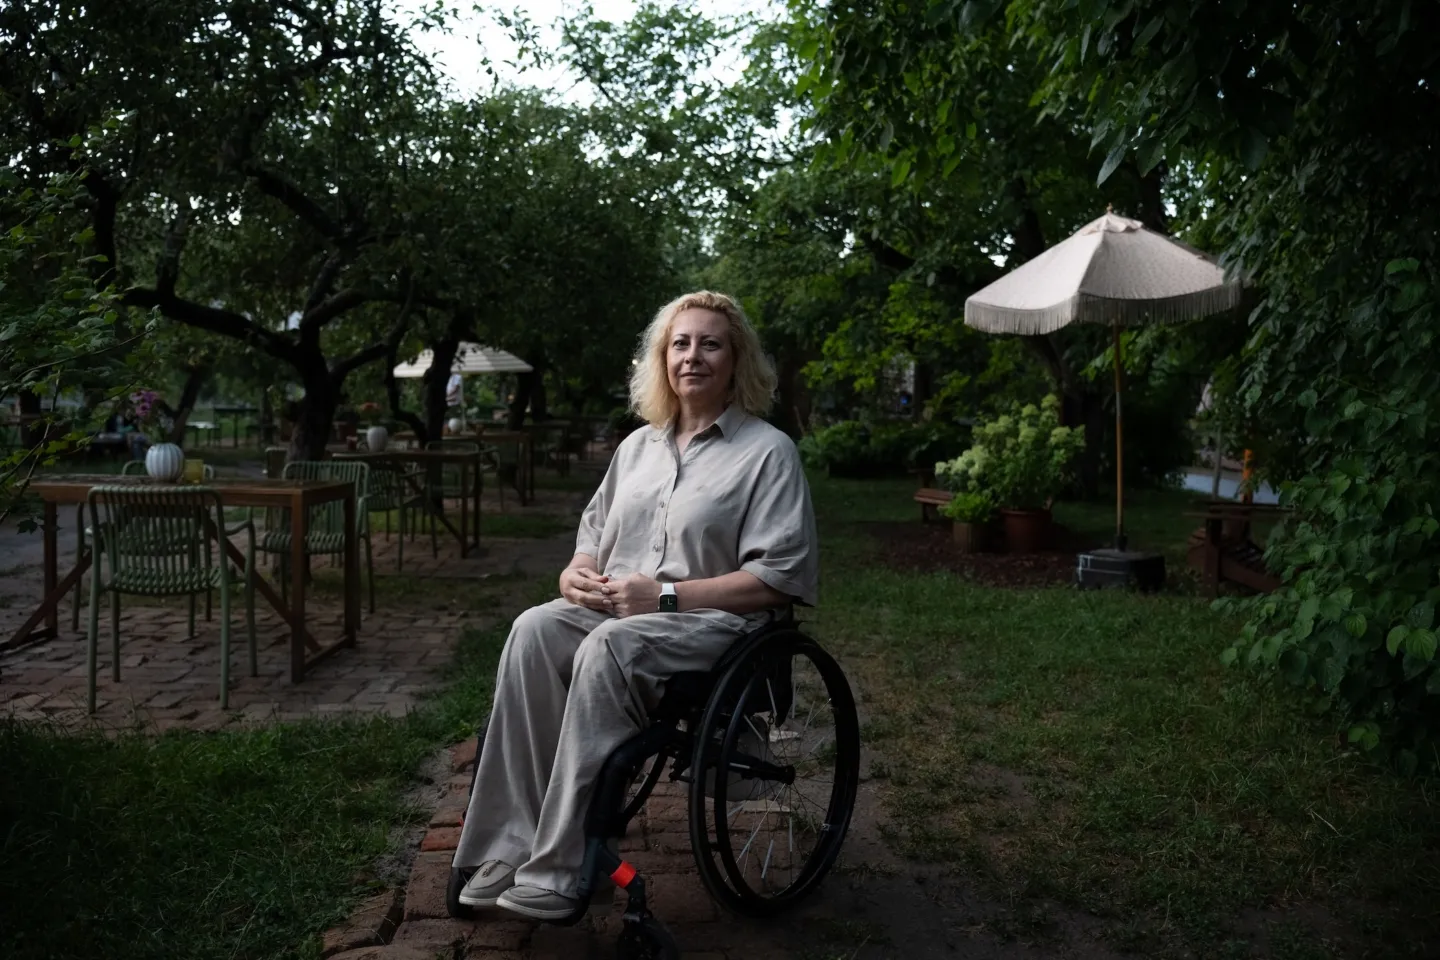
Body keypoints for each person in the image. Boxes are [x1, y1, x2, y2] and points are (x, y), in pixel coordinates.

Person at [451, 291, 819, 921]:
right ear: (662, 359)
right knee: (533, 628)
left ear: (737, 360)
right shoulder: (636, 448)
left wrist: (667, 595)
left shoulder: (767, 452)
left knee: (607, 646)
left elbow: (781, 578)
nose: (693, 356)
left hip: (715, 625)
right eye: (680, 343)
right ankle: (508, 846)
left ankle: (568, 865)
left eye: (710, 343)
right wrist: (574, 576)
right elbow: (590, 542)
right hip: (620, 610)